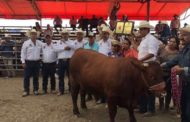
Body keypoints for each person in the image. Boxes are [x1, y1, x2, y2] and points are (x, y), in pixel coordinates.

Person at [162, 25, 190, 122]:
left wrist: (183, 69)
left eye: (185, 35)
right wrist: (161, 65)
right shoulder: (184, 49)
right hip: (185, 85)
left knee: (188, 112)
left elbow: (183, 67)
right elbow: (175, 60)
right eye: (181, 35)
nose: (181, 37)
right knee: (183, 110)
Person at [137, 21, 160, 117]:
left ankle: (151, 109)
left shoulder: (151, 39)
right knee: (142, 87)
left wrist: (140, 60)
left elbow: (152, 53)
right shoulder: (144, 39)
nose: (139, 31)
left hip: (149, 65)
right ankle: (143, 108)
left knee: (150, 88)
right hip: (144, 65)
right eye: (140, 29)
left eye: (141, 29)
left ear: (146, 29)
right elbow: (139, 50)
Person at [157, 37, 179, 111]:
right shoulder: (162, 48)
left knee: (169, 90)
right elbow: (157, 57)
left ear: (177, 44)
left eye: (174, 42)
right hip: (160, 72)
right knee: (160, 89)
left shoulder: (178, 53)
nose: (171, 43)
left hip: (171, 74)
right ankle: (161, 104)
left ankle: (166, 106)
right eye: (170, 41)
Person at [21, 29, 43, 97]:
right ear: (30, 35)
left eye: (35, 34)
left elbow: (45, 48)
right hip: (28, 62)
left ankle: (35, 90)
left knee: (36, 76)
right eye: (32, 34)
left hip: (37, 62)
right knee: (26, 77)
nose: (33, 35)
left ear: (37, 35)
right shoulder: (26, 43)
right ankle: (26, 90)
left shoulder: (40, 43)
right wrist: (23, 62)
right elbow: (23, 53)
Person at [53, 29, 74, 96]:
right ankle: (61, 90)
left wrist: (67, 44)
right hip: (61, 60)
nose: (65, 35)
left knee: (70, 76)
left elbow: (74, 47)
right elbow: (55, 49)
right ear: (61, 35)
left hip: (69, 60)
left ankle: (71, 89)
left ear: (68, 35)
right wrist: (64, 48)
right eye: (63, 34)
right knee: (61, 76)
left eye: (66, 34)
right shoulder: (58, 42)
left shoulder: (71, 42)